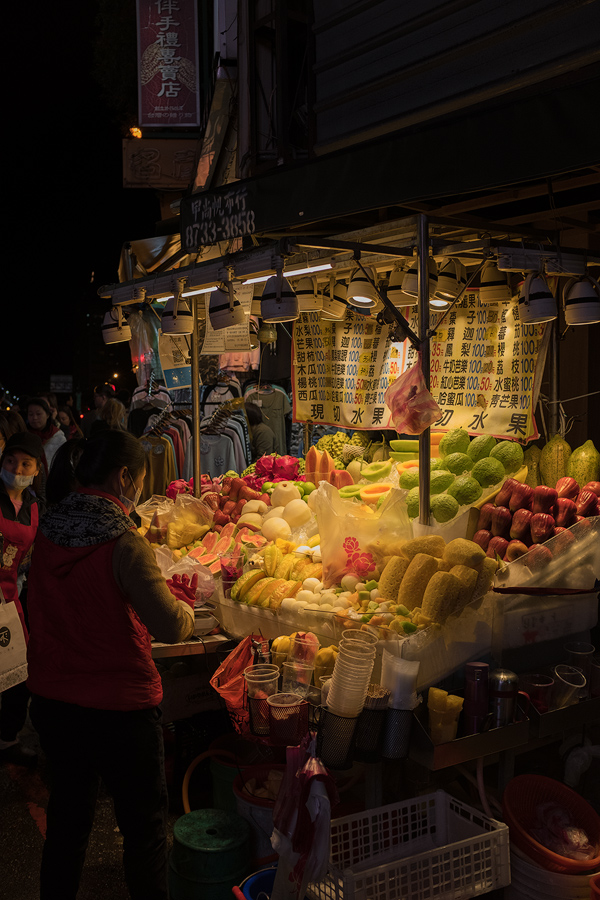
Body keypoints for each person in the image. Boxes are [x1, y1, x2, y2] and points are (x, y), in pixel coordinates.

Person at [26, 430, 197, 900]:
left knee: (67, 823)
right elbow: (170, 626)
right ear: (125, 477)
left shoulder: (48, 527)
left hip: (55, 703)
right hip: (120, 710)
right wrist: (184, 606)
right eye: (139, 479)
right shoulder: (123, 541)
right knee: (143, 832)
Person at [0, 432, 44, 767]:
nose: (17, 468)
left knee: (18, 673)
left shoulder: (33, 506)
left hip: (12, 597)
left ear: (37, 469)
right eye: (11, 461)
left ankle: (7, 739)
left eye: (25, 463)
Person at [24, 397, 66, 471]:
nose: (34, 417)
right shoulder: (24, 437)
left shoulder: (58, 437)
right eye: (30, 414)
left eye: (38, 414)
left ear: (47, 415)